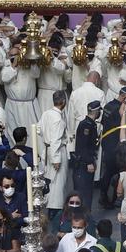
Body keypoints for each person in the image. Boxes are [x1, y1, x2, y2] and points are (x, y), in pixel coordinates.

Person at [39, 90, 70, 221]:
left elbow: (39, 129)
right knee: (57, 184)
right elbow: (56, 140)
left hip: (47, 150)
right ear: (63, 102)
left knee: (50, 182)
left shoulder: (46, 113)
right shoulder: (58, 119)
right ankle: (55, 213)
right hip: (56, 152)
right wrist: (56, 159)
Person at [72, 100, 101, 211]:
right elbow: (83, 146)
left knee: (88, 191)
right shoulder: (86, 126)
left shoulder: (91, 124)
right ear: (96, 111)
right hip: (83, 164)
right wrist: (89, 162)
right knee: (83, 192)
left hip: (87, 161)